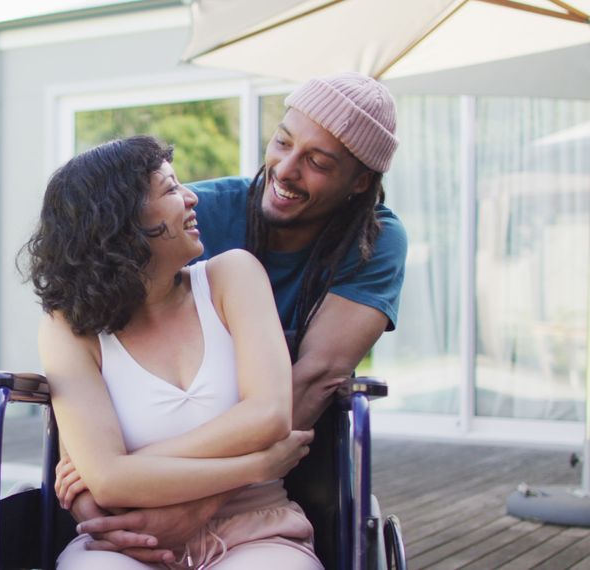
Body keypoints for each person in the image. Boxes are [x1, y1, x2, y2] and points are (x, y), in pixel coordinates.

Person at [64, 72, 408, 563]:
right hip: (152, 443)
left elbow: (310, 382)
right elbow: (95, 324)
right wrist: (95, 468)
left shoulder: (374, 243)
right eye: (283, 142)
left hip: (283, 464)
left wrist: (194, 502)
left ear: (359, 183)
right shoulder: (189, 214)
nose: (286, 169)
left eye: (317, 162)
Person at [22, 134, 323, 568]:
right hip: (128, 540)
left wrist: (123, 470)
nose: (191, 197)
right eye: (170, 189)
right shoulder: (67, 327)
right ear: (119, 224)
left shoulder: (232, 276)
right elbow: (105, 483)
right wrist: (255, 466)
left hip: (257, 528)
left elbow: (270, 416)